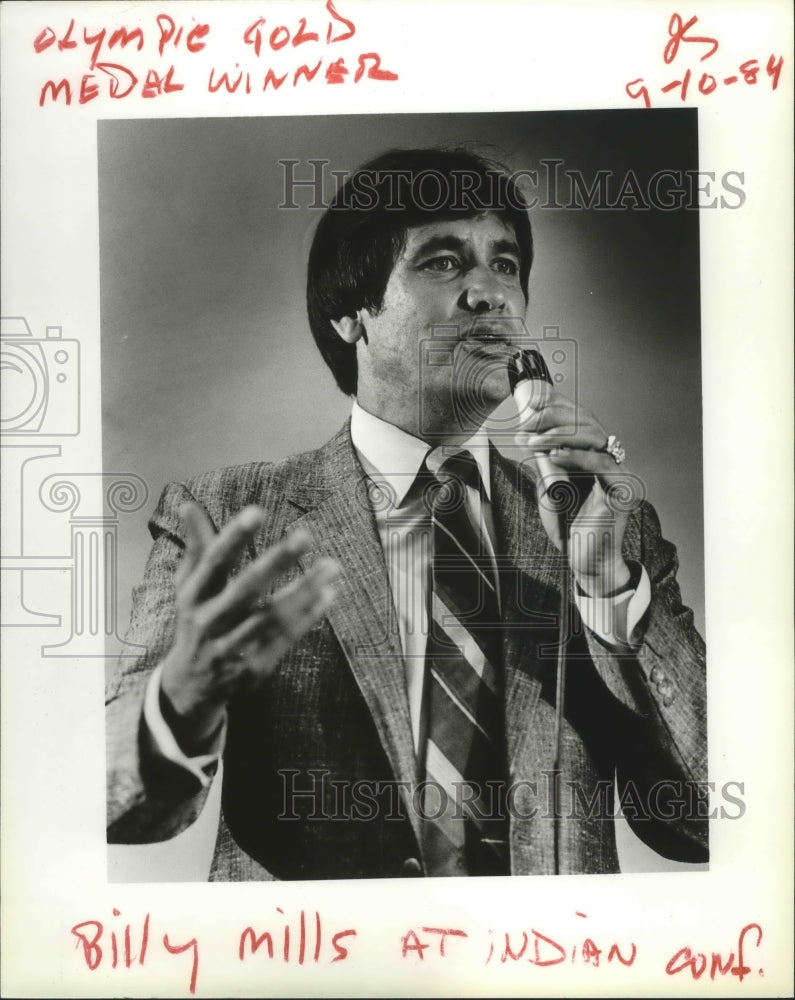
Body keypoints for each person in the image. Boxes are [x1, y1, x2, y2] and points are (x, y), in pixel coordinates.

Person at [106, 147, 708, 880]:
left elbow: (704, 822)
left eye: (507, 263)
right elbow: (113, 801)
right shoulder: (229, 515)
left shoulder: (610, 529)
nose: (491, 295)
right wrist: (178, 701)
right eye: (444, 262)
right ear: (349, 314)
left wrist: (612, 592)